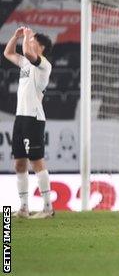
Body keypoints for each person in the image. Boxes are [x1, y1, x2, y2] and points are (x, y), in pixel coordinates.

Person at [3, 27, 54, 219]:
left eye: (33, 41)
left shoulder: (44, 65)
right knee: (19, 163)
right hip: (20, 117)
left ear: (40, 47)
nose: (29, 42)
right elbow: (8, 53)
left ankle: (48, 207)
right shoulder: (25, 64)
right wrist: (16, 37)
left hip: (33, 118)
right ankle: (24, 207)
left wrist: (26, 37)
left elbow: (26, 51)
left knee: (36, 161)